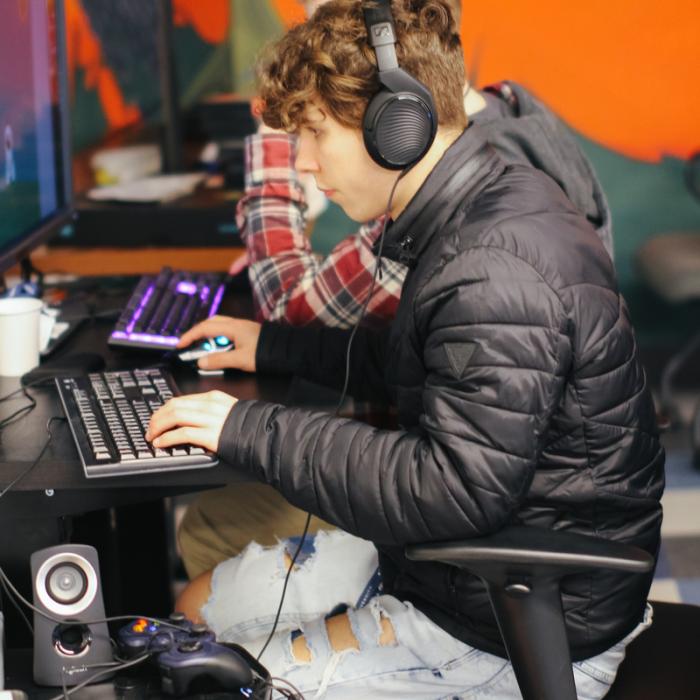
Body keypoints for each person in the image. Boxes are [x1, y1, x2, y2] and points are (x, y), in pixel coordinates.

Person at [149, 1, 663, 696]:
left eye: (312, 135)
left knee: (209, 682)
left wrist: (249, 428)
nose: (302, 162)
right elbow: (412, 361)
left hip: (514, 624)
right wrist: (272, 345)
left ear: (396, 129)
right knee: (190, 613)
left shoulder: (493, 266)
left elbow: (451, 488)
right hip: (450, 570)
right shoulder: (475, 204)